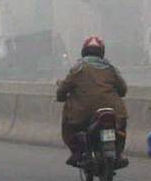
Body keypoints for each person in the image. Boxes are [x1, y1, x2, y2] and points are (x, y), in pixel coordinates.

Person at [55, 35, 128, 166]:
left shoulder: (78, 68)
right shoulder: (110, 68)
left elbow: (63, 88)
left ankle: (77, 152)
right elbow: (123, 89)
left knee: (69, 122)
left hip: (84, 113)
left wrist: (60, 96)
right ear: (102, 52)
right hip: (114, 111)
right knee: (121, 126)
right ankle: (120, 153)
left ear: (84, 51)